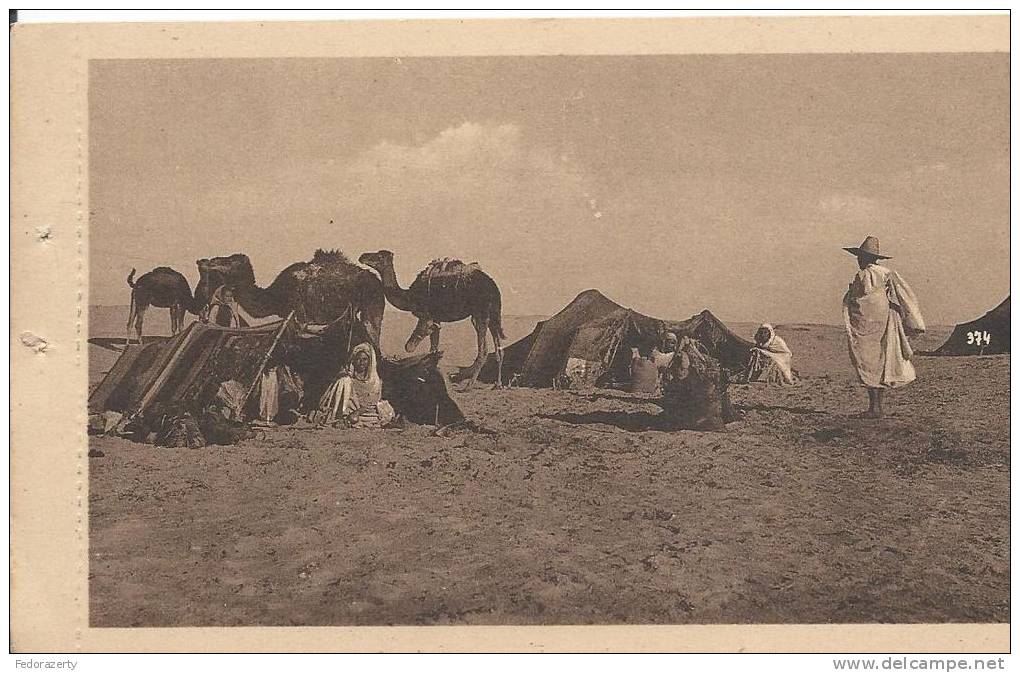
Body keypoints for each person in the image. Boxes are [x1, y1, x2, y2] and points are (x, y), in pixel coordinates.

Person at [841, 236, 925, 418]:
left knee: (870, 362)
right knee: (878, 361)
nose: (858, 260)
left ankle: (875, 407)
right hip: (875, 322)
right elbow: (904, 295)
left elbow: (865, 298)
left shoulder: (871, 274)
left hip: (871, 324)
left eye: (860, 257)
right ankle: (876, 407)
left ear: (865, 258)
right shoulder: (884, 273)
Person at [311, 342, 395, 428]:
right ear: (353, 361)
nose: (361, 362)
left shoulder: (375, 381)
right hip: (345, 411)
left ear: (369, 362)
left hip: (367, 412)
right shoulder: (346, 380)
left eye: (365, 359)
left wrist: (358, 412)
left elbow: (373, 403)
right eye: (358, 359)